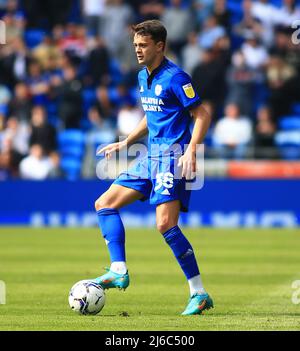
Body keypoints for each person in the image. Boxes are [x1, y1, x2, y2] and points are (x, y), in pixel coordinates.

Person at [92, 20, 213, 316]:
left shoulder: (176, 77)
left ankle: (199, 293)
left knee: (165, 225)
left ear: (160, 46)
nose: (138, 50)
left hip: (172, 156)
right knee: (104, 203)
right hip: (150, 156)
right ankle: (119, 270)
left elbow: (202, 114)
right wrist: (126, 142)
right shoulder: (142, 77)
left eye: (143, 45)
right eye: (135, 45)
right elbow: (152, 113)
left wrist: (192, 151)